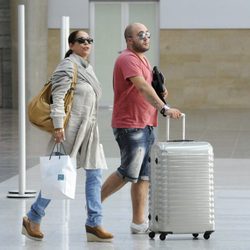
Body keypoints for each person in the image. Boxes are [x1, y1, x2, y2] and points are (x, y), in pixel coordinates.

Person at [22, 30, 113, 242]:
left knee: (94, 173)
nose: (87, 43)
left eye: (90, 40)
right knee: (57, 174)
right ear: (71, 45)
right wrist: (57, 126)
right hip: (69, 129)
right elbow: (58, 97)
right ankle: (33, 217)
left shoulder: (87, 68)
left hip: (89, 130)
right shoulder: (67, 66)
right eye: (81, 40)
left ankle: (94, 222)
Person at [101, 23, 182, 234]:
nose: (146, 38)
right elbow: (142, 88)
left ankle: (138, 223)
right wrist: (164, 108)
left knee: (144, 176)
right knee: (128, 172)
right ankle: (94, 203)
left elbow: (150, 89)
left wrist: (161, 92)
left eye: (147, 34)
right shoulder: (127, 58)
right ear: (129, 40)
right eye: (140, 35)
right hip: (130, 124)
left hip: (146, 124)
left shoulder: (144, 60)